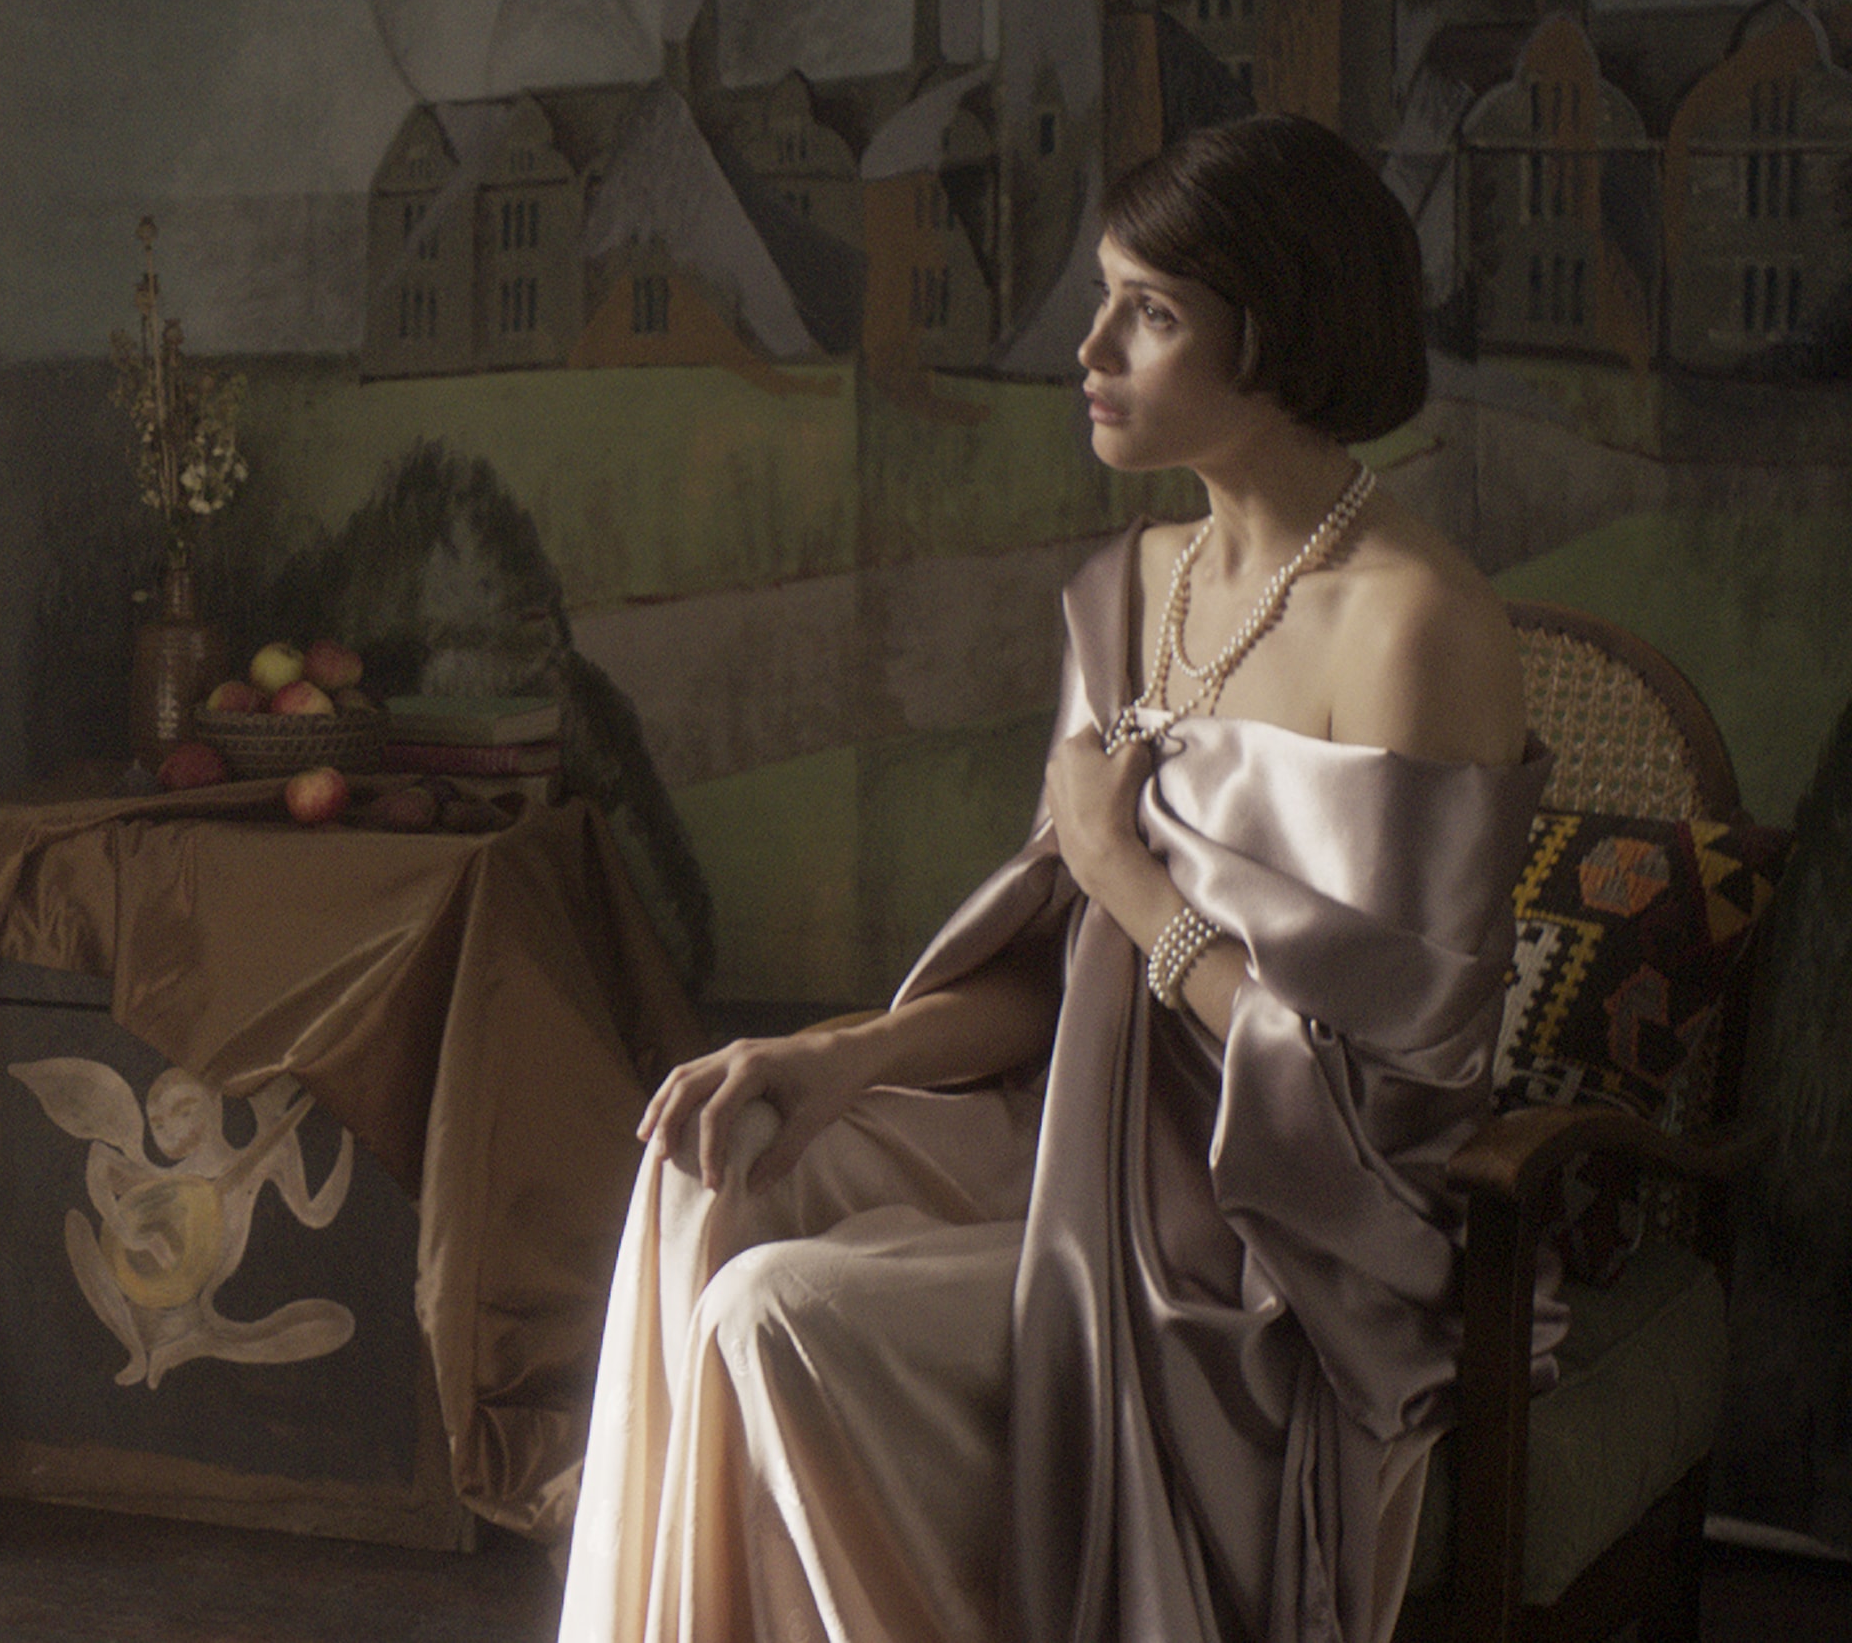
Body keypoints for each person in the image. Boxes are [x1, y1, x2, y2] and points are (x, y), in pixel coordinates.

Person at [555, 114, 1548, 1643]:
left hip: (1269, 1240)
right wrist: (843, 1053)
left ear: (1277, 331)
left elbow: (1383, 1110)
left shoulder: (1415, 627)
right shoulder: (1125, 587)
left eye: (1147, 312)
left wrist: (1120, 873)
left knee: (771, 1312)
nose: (1087, 348)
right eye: (1102, 295)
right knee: (713, 1155)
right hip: (1070, 1133)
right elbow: (1054, 971)